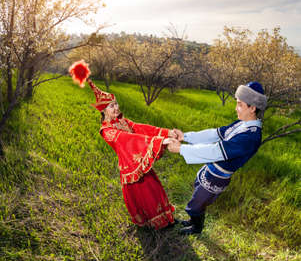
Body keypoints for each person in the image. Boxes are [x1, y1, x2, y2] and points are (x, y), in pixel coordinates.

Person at [167, 81, 267, 235]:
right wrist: (186, 136)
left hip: (218, 176)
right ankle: (193, 221)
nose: (236, 108)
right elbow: (215, 133)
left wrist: (181, 149)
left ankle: (196, 228)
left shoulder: (251, 135)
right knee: (197, 194)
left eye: (240, 104)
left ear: (252, 108)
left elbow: (216, 151)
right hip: (211, 169)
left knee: (197, 203)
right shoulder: (242, 124)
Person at [87, 78, 177, 230]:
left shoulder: (122, 122)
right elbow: (126, 138)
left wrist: (167, 132)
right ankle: (156, 225)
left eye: (116, 104)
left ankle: (167, 219)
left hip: (139, 161)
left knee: (154, 189)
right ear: (104, 110)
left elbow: (141, 128)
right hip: (130, 167)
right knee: (145, 195)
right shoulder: (106, 130)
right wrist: (159, 141)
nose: (116, 107)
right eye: (111, 106)